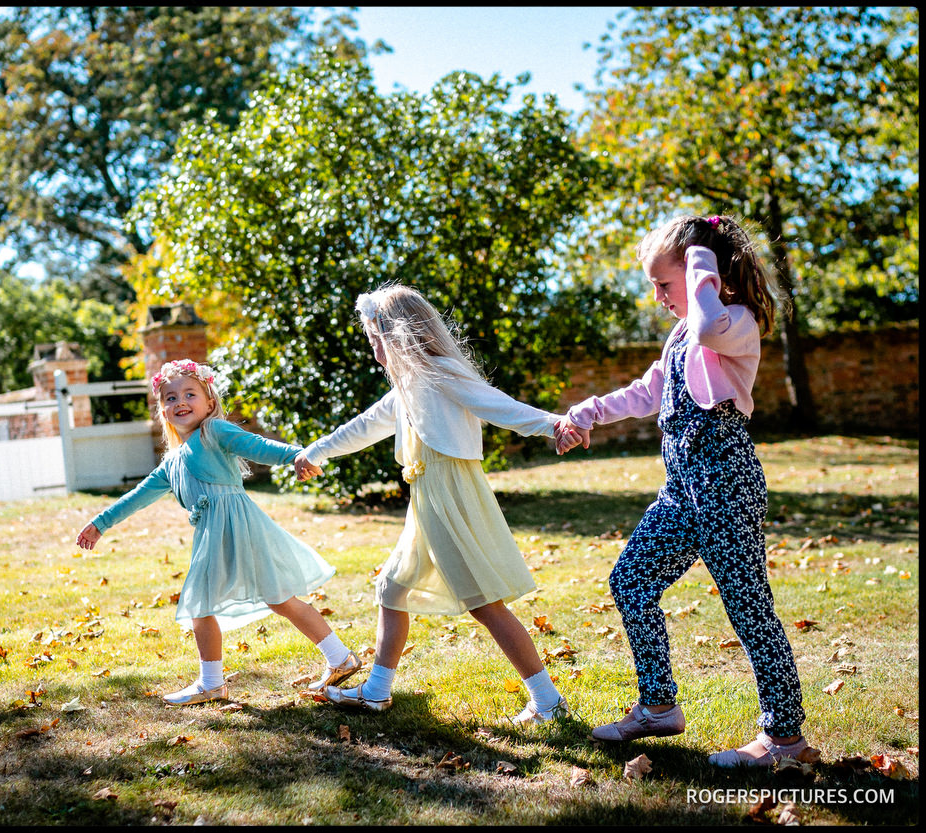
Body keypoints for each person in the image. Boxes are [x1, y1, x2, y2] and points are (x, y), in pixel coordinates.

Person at [555, 214, 815, 767]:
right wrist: (589, 412)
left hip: (726, 485)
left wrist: (701, 263)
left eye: (663, 284)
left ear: (703, 272)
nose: (657, 297)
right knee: (631, 580)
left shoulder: (733, 322)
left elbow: (706, 327)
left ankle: (785, 739)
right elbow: (650, 389)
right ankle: (658, 706)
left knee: (749, 608)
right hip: (681, 492)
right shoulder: (681, 334)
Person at [294, 285, 577, 724]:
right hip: (426, 499)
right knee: (391, 587)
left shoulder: (440, 373)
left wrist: (552, 424)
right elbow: (365, 425)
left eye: (376, 342)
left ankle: (547, 699)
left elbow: (497, 405)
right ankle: (376, 691)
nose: (374, 354)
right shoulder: (407, 385)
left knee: (484, 603)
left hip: (450, 496)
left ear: (398, 336)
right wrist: (317, 451)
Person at [76, 359, 361, 705]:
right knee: (256, 601)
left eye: (189, 394)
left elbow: (258, 445)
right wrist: (100, 523)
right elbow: (137, 497)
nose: (180, 401)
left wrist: (299, 456)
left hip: (239, 527)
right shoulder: (172, 462)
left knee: (267, 599)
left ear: (210, 403)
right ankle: (338, 658)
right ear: (162, 411)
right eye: (170, 398)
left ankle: (217, 682)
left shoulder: (215, 432)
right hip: (213, 535)